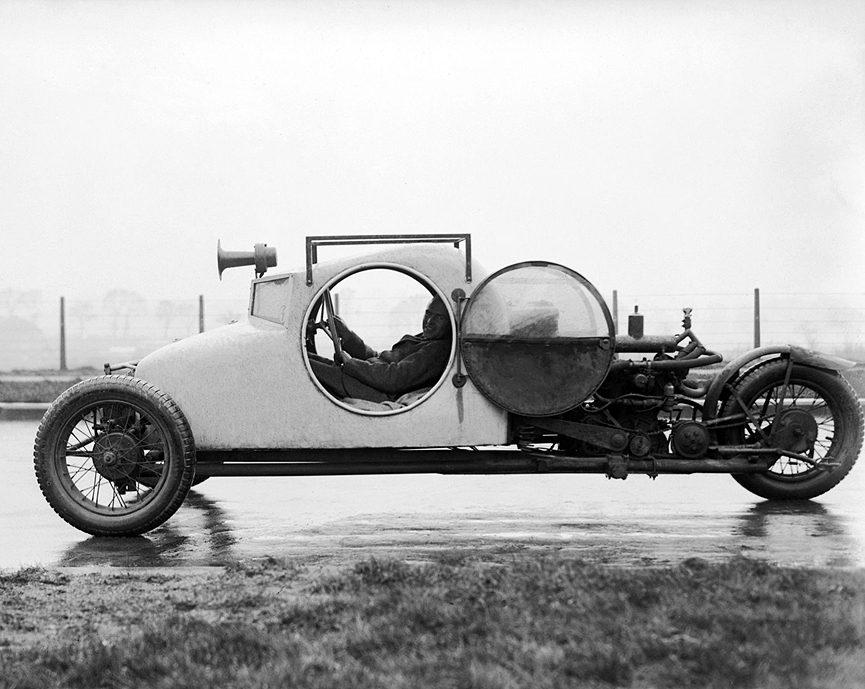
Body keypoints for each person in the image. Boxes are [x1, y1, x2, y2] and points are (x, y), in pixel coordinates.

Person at [309, 294, 452, 404]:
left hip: (372, 391)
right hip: (366, 381)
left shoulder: (437, 350)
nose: (429, 322)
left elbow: (394, 378)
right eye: (428, 313)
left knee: (300, 365)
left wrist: (351, 363)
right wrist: (348, 337)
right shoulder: (426, 338)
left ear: (451, 323)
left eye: (439, 318)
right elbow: (379, 358)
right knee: (306, 359)